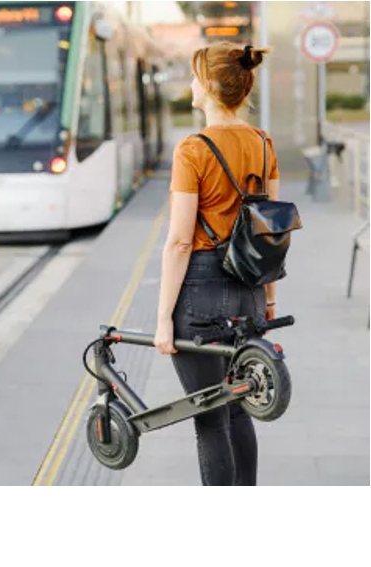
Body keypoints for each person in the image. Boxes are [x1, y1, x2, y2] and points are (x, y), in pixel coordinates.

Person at [154, 43, 280, 486]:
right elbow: (269, 231)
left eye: (192, 76)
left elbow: (180, 241)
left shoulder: (192, 150)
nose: (190, 84)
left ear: (208, 87)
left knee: (209, 418)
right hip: (248, 287)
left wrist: (163, 319)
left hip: (200, 293)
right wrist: (268, 298)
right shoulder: (263, 144)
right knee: (239, 409)